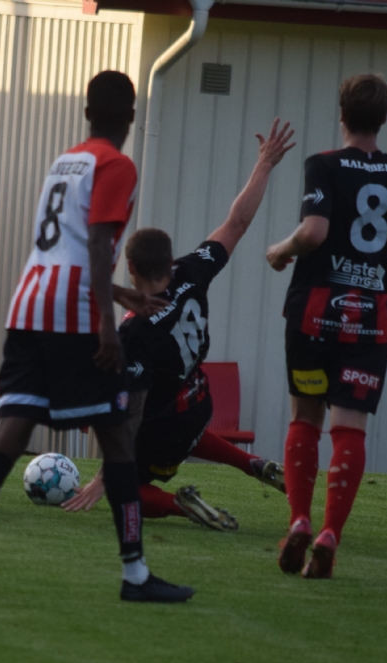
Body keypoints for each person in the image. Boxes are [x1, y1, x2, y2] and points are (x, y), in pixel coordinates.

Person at [0, 71, 193, 602]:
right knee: (117, 435)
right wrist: (108, 322)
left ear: (87, 113)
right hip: (73, 314)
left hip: (29, 303)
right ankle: (136, 576)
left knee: (12, 430)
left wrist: (121, 294)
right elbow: (95, 242)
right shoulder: (117, 165)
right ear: (131, 117)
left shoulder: (66, 160)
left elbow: (65, 247)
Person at [62, 120, 296, 531]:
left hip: (166, 425)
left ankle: (181, 505)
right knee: (177, 420)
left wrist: (105, 475)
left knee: (122, 485)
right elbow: (237, 222)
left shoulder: (135, 332)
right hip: (201, 402)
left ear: (131, 268)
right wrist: (265, 164)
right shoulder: (191, 270)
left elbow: (134, 411)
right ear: (170, 260)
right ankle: (254, 464)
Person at [265, 74, 387, 579]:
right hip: (369, 315)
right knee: (349, 427)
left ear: (341, 114)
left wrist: (279, 250)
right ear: (383, 119)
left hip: (315, 310)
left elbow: (314, 232)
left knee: (306, 417)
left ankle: (300, 519)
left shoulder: (323, 164)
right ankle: (329, 535)